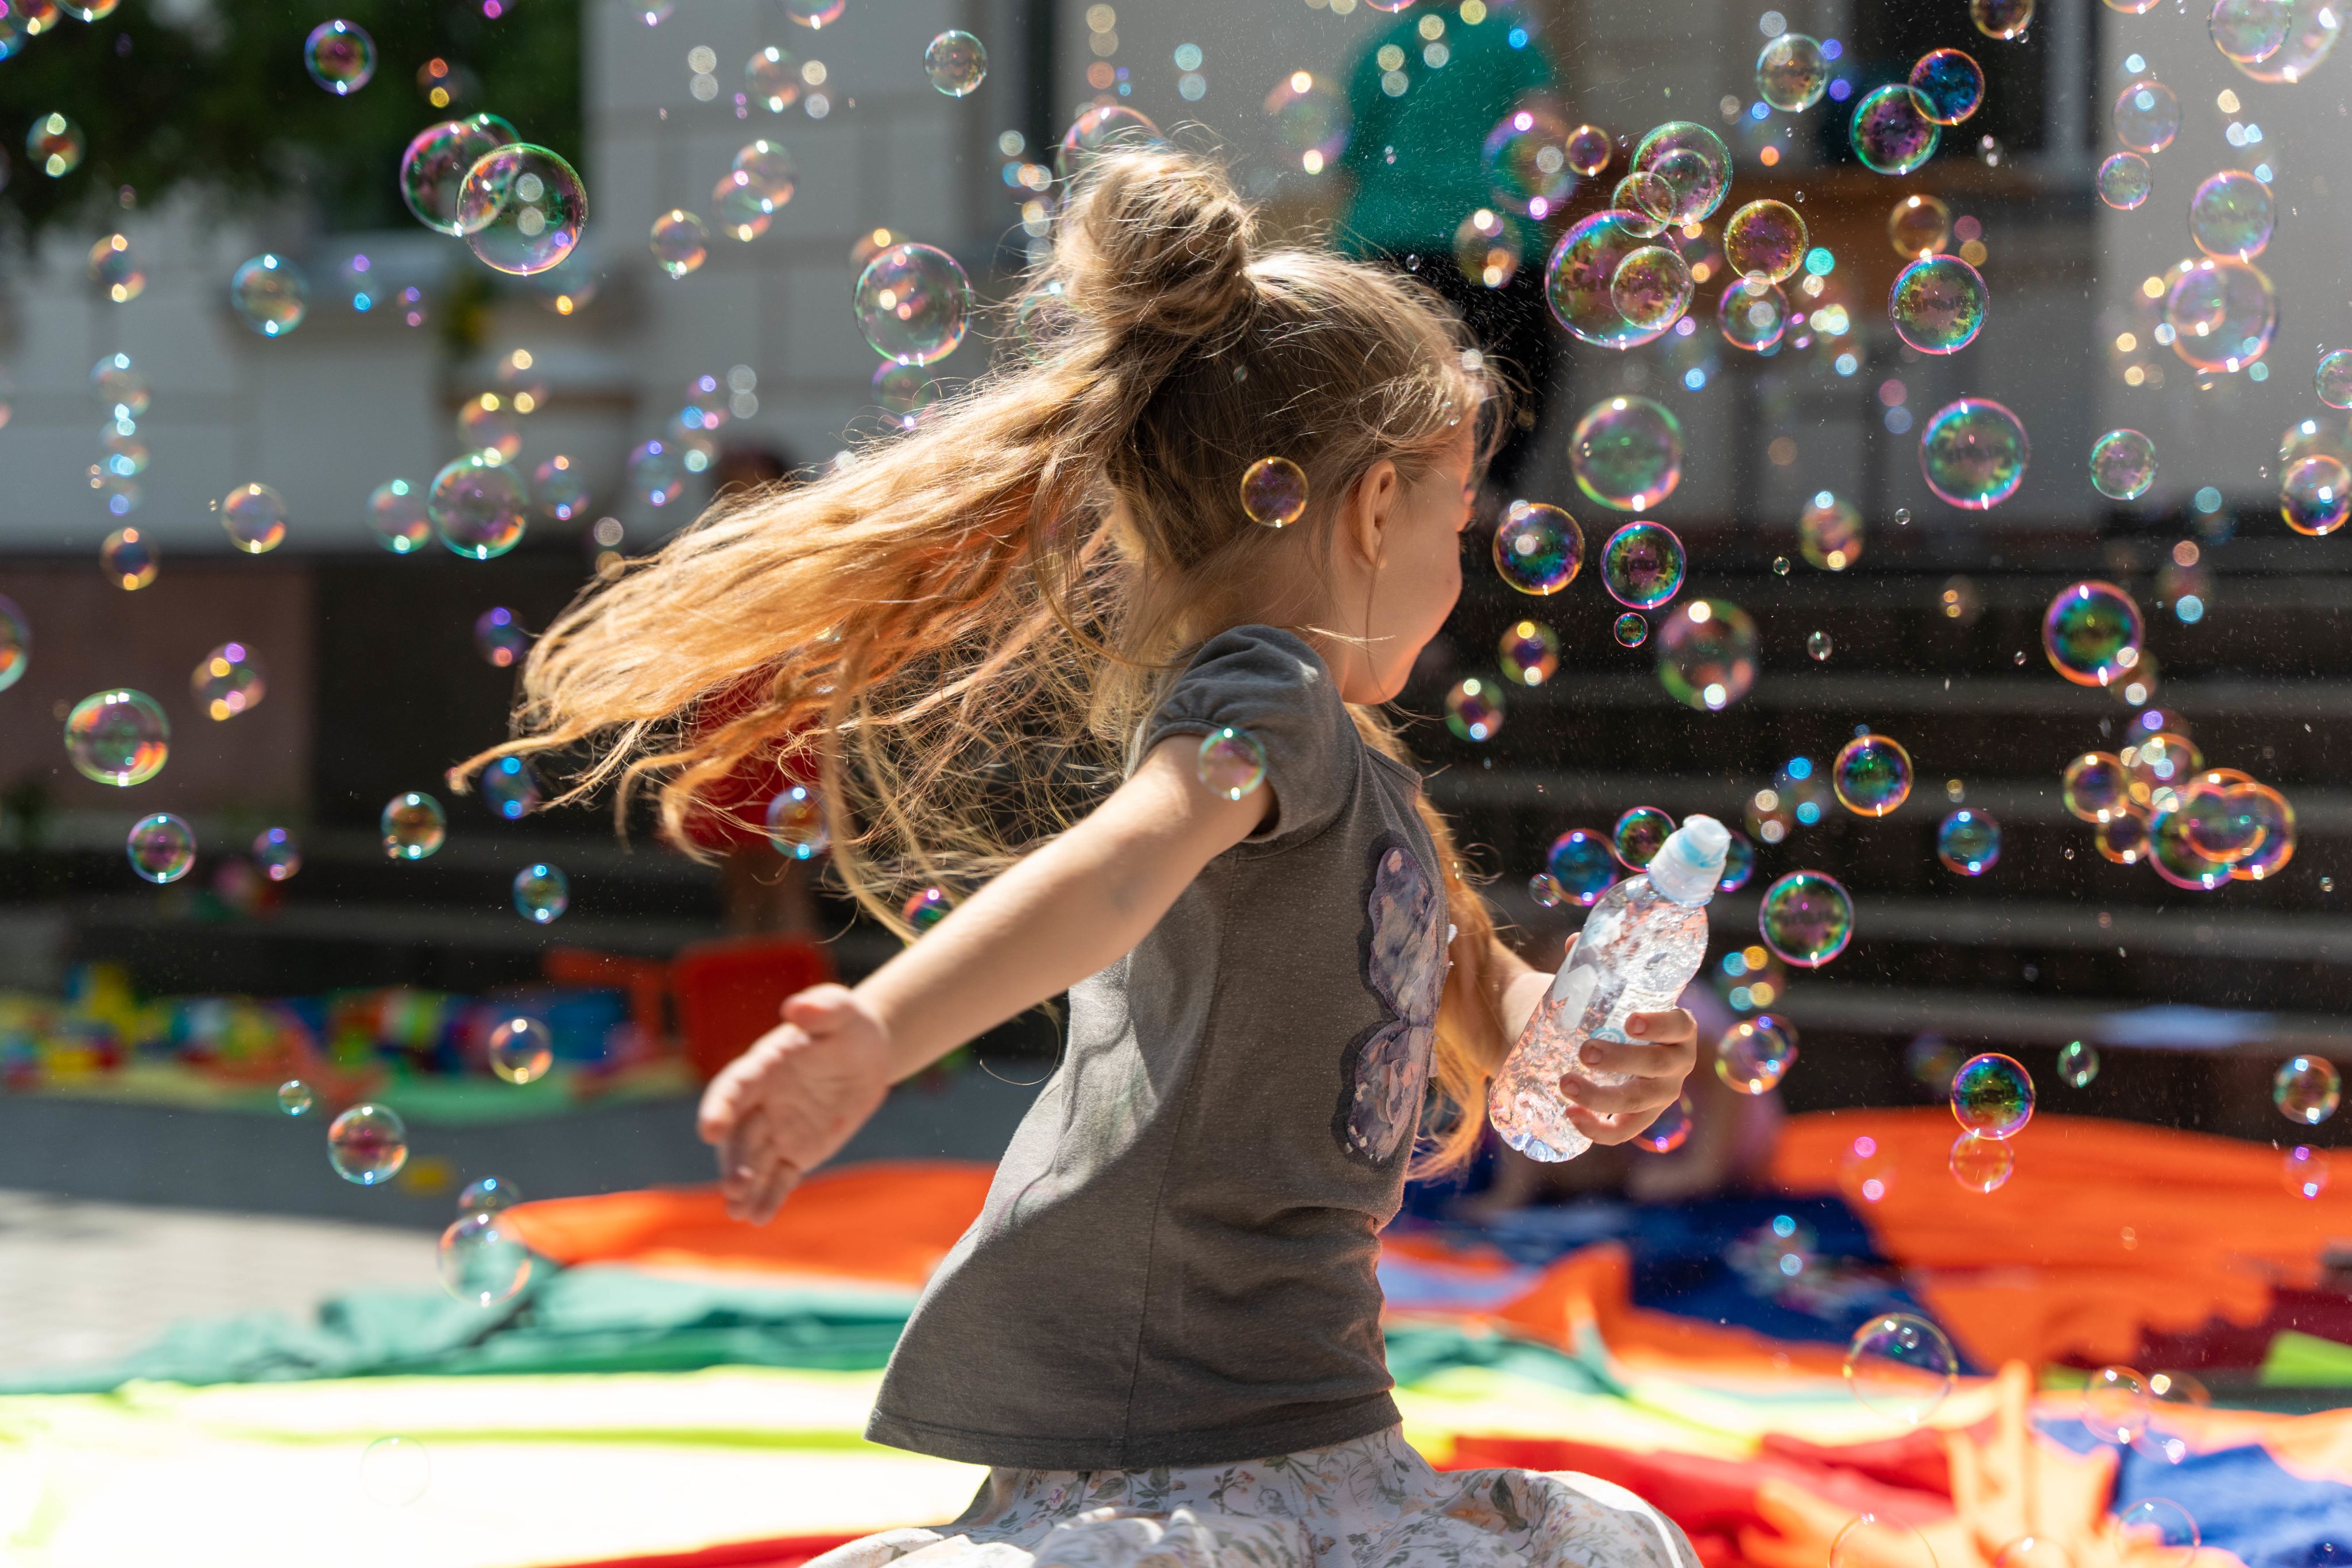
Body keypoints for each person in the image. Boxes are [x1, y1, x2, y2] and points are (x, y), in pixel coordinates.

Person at [467, 147, 1701, 1568]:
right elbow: (1120, 869)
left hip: (1304, 1410)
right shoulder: (1267, 702)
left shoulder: (1355, 768)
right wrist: (872, 1031)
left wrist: (1580, 1035)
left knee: (1613, 1545)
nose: (1463, 558)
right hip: (1154, 1421)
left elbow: (1475, 985)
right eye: (1455, 519)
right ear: (1370, 510)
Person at [1336, 3, 1564, 492]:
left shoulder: (1386, 45)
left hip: (1387, 244)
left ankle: (1404, 510)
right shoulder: (1508, 37)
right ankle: (1481, 502)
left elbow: (1348, 163)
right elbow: (1545, 139)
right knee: (1509, 387)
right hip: (1498, 245)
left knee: (1399, 399)